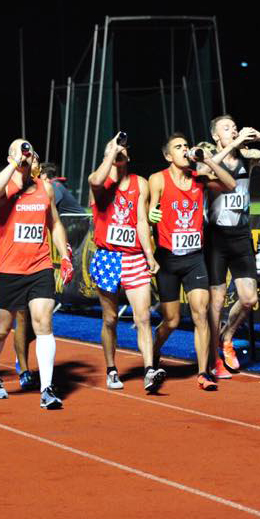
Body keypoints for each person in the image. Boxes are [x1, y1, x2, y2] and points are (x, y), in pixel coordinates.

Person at [0, 139, 73, 409]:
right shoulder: (6, 189)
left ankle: (47, 388)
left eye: (30, 153)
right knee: (1, 330)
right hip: (9, 270)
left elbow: (55, 224)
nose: (27, 157)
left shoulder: (45, 188)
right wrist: (15, 162)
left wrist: (66, 255)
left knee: (43, 322)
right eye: (20, 152)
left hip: (40, 267)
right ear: (10, 157)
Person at [148, 133, 236, 391]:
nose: (184, 150)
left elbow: (230, 185)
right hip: (168, 259)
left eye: (186, 146)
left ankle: (203, 371)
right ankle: (154, 350)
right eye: (178, 147)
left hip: (195, 259)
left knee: (201, 314)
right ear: (168, 156)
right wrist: (151, 214)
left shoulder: (199, 179)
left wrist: (208, 159)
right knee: (172, 321)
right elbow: (148, 211)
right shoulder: (158, 179)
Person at [205, 116, 260, 378]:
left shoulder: (248, 156)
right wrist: (233, 145)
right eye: (226, 128)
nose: (233, 130)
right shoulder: (209, 156)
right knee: (216, 302)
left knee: (249, 299)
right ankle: (211, 359)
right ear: (216, 137)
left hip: (241, 235)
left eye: (234, 126)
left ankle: (226, 337)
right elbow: (205, 167)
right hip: (216, 237)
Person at [87, 134, 161, 392]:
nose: (119, 152)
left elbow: (141, 221)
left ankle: (149, 369)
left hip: (133, 257)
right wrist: (110, 152)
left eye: (122, 150)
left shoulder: (140, 183)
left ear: (128, 156)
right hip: (107, 258)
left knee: (143, 317)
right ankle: (111, 368)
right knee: (110, 319)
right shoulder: (99, 182)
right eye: (113, 149)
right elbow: (96, 180)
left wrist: (149, 255)